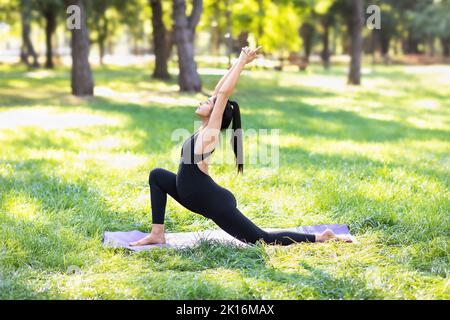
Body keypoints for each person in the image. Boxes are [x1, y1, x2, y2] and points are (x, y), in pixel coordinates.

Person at [130, 46, 353, 246]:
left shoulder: (210, 133)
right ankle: (157, 233)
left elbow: (224, 94)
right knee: (157, 175)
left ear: (217, 113)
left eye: (207, 103)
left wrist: (241, 66)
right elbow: (219, 91)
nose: (203, 101)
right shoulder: (202, 128)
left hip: (213, 202)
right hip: (192, 193)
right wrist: (240, 60)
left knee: (262, 238)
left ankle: (322, 237)